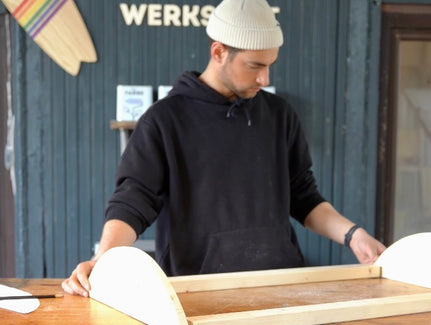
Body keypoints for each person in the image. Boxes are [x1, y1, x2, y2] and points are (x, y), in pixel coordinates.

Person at [62, 0, 385, 297]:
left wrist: (354, 234)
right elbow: (133, 200)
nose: (264, 78)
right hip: (197, 293)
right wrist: (103, 259)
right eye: (255, 65)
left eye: (270, 65)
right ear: (218, 52)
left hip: (281, 288)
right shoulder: (164, 121)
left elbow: (305, 198)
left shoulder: (279, 115)